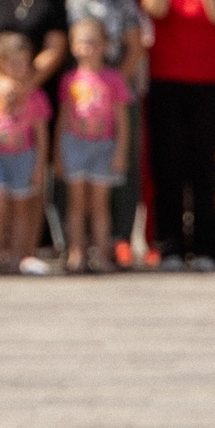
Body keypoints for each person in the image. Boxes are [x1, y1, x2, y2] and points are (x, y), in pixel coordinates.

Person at [141, 0, 215, 270]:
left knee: (205, 168)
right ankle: (171, 246)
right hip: (166, 84)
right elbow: (155, 8)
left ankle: (208, 246)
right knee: (168, 167)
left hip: (207, 85)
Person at [60, 0, 147, 256]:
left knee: (119, 169)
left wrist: (110, 90)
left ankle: (116, 241)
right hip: (75, 99)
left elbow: (135, 47)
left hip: (117, 95)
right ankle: (75, 245)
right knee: (74, 176)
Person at [0, 33, 51, 277]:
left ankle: (17, 257)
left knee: (20, 208)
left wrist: (39, 166)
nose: (18, 69)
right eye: (12, 63)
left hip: (24, 156)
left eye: (23, 63)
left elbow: (41, 135)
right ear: (0, 64)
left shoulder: (35, 96)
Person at [57, 17, 130, 273]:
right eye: (82, 43)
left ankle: (102, 254)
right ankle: (76, 253)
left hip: (104, 146)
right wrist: (59, 152)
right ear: (73, 46)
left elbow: (122, 120)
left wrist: (121, 151)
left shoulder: (114, 79)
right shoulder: (69, 79)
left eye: (93, 42)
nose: (88, 48)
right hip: (75, 145)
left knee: (100, 204)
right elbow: (64, 117)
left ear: (105, 45)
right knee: (76, 204)